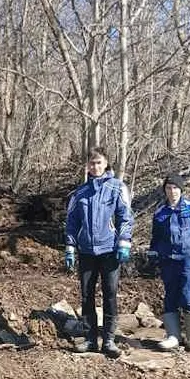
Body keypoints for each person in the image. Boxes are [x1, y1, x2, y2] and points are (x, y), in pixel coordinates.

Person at [64, 147, 134, 358]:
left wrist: (124, 242)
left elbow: (125, 216)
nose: (95, 167)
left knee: (110, 294)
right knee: (87, 296)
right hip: (86, 251)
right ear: (87, 166)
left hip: (110, 250)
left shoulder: (117, 188)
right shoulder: (79, 193)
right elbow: (71, 222)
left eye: (99, 163)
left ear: (106, 164)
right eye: (92, 163)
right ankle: (90, 338)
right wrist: (70, 247)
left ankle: (110, 340)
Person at [147, 174, 190, 351]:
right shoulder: (160, 212)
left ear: (181, 190)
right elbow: (156, 238)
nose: (172, 191)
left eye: (175, 188)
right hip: (167, 260)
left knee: (189, 294)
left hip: (188, 258)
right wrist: (152, 255)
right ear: (165, 191)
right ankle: (173, 335)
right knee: (170, 295)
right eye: (168, 188)